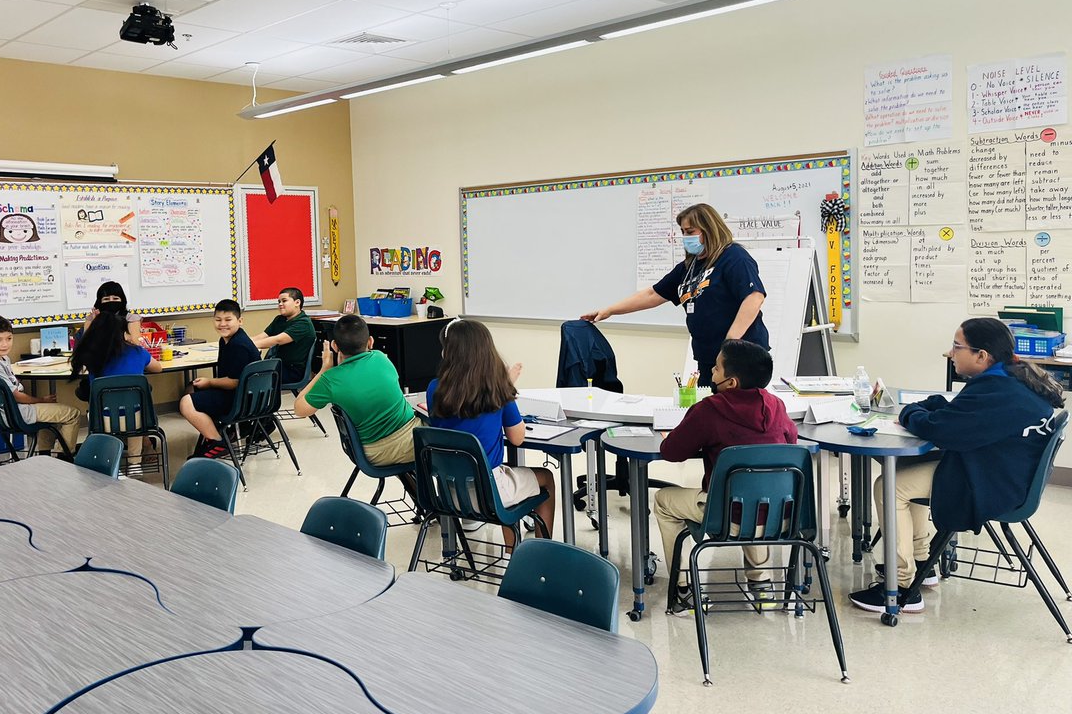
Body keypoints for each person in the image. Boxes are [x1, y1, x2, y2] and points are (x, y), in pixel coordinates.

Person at [850, 317, 1065, 614]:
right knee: (901, 474)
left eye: (957, 346)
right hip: (1006, 474)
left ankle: (900, 589)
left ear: (981, 356)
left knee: (889, 487)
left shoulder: (997, 391)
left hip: (993, 484)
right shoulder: (1008, 379)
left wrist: (910, 414)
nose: (951, 353)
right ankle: (923, 562)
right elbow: (956, 411)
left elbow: (943, 430)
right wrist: (924, 408)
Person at [653, 339, 796, 615]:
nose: (712, 372)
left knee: (663, 500)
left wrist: (672, 437)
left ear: (731, 382)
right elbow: (789, 444)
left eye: (717, 368)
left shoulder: (710, 409)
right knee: (755, 494)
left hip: (728, 517)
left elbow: (671, 452)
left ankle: (682, 586)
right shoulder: (777, 405)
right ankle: (761, 583)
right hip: (781, 516)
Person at [582, 203, 769, 373]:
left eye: (690, 231)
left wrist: (730, 343)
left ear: (709, 229)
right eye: (683, 232)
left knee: (736, 409)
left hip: (739, 357)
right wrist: (610, 310)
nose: (685, 237)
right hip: (709, 357)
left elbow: (754, 297)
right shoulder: (689, 267)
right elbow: (653, 294)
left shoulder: (734, 257)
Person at [425, 319, 556, 551]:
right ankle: (536, 552)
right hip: (491, 495)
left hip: (448, 494)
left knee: (506, 474)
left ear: (448, 352)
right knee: (545, 477)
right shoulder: (497, 390)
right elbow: (517, 438)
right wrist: (506, 386)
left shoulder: (434, 388)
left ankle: (506, 549)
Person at [294, 314, 418, 467]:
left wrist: (323, 370)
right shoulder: (381, 358)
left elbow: (299, 409)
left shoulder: (331, 380)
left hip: (372, 450)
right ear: (370, 341)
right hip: (403, 443)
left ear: (334, 346)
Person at [0, 316, 82, 457]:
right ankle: (64, 458)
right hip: (12, 415)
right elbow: (16, 396)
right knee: (72, 414)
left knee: (51, 413)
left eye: (9, 338)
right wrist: (42, 399)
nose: (5, 344)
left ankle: (44, 455)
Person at [70, 310, 162, 474]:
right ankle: (135, 463)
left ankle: (110, 462)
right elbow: (158, 368)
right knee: (135, 410)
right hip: (137, 420)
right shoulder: (137, 352)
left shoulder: (91, 357)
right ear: (123, 332)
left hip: (102, 420)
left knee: (104, 411)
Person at [179, 299, 260, 459]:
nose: (222, 324)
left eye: (228, 320)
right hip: (242, 394)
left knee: (186, 403)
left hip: (241, 399)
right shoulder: (227, 340)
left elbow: (235, 381)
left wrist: (209, 382)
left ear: (240, 321)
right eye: (218, 320)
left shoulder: (239, 345)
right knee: (191, 388)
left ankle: (217, 443)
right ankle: (215, 432)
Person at [251, 286, 314, 384]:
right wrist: (242, 342)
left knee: (248, 376)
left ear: (297, 302)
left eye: (284, 301)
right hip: (277, 365)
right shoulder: (280, 319)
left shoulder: (303, 323)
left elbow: (278, 340)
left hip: (292, 371)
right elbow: (262, 336)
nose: (280, 304)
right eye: (279, 302)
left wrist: (246, 346)